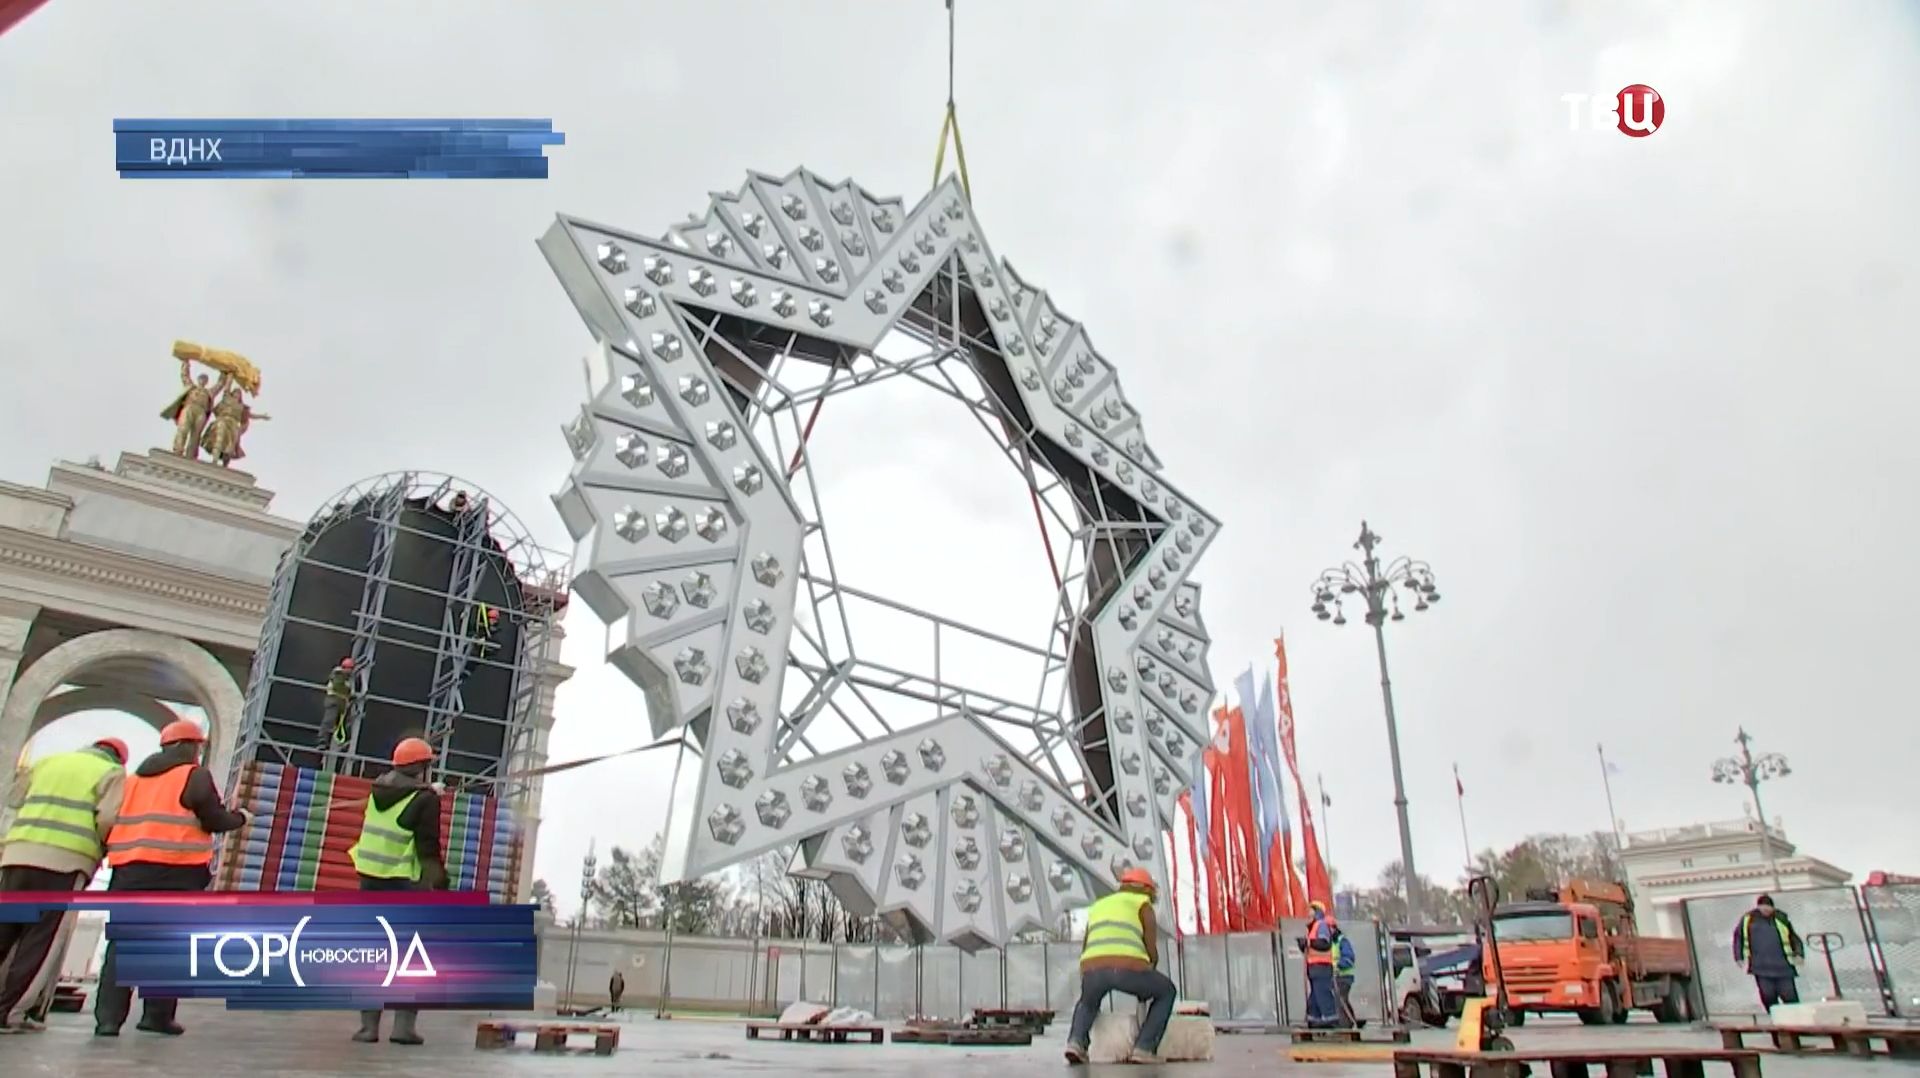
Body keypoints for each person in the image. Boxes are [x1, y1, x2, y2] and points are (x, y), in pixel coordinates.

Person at [94, 721, 250, 1037]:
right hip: (177, 872)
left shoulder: (134, 780)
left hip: (129, 871)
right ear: (191, 746)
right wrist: (241, 818)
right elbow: (214, 819)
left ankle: (108, 1020)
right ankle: (156, 1016)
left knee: (122, 945)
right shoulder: (194, 776)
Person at [0, 738, 127, 1033]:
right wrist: (103, 846)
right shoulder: (112, 773)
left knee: (5, 931)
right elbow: (108, 817)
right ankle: (8, 1012)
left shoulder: (47, 761)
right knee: (38, 939)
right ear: (118, 758)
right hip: (65, 862)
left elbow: (14, 799)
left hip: (18, 855)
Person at [348, 737, 448, 1047]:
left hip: (370, 880)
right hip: (404, 883)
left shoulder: (378, 788)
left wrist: (429, 794)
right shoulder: (425, 799)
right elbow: (427, 845)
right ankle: (403, 1028)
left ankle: (368, 1028)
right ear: (422, 767)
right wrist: (441, 882)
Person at [1064, 868, 1177, 1066]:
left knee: (1087, 1002)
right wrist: (1151, 969)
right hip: (1128, 967)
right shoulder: (1142, 904)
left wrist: (1089, 969)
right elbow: (1150, 947)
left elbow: (1087, 942)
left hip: (1092, 966)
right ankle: (1145, 1047)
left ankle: (1076, 1043)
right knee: (1166, 990)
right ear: (1147, 889)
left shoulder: (1100, 905)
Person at [1733, 894, 1804, 1011]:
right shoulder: (1748, 919)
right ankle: (1775, 1022)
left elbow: (1793, 937)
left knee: (1789, 996)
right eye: (1763, 907)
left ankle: (1795, 1021)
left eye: (1768, 907)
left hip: (1783, 966)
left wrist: (1799, 953)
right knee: (1768, 996)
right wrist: (1738, 956)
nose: (1766, 910)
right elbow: (1738, 938)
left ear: (1773, 908)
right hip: (1760, 966)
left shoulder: (1781, 918)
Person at [1300, 900, 1341, 1027]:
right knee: (1315, 997)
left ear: (1317, 912)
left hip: (1321, 967)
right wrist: (1303, 945)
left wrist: (1308, 943)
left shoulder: (1321, 925)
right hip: (1314, 969)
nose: (1308, 913)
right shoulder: (1312, 928)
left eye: (1311, 910)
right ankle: (1314, 1020)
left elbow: (1324, 944)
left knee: (1322, 993)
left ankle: (1331, 1019)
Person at [320, 657, 355, 749]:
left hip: (340, 703)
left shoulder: (344, 677)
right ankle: (322, 741)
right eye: (350, 668)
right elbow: (338, 687)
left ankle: (334, 742)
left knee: (338, 724)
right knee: (329, 721)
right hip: (334, 701)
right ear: (345, 667)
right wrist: (349, 692)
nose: (351, 671)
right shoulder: (338, 675)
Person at [1333, 922, 1361, 1028]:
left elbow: (1349, 959)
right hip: (1337, 976)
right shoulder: (1332, 942)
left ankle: (1345, 1025)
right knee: (1341, 1000)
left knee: (1340, 1000)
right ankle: (1351, 1022)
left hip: (1344, 977)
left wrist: (1338, 965)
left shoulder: (1342, 941)